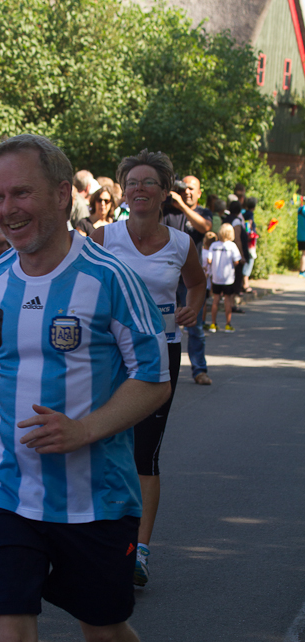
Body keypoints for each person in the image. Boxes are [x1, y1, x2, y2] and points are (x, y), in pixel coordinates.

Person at [0, 134, 171, 642]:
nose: (6, 209)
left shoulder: (110, 279)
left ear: (61, 193)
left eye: (20, 193)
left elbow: (153, 379)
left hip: (93, 498)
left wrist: (85, 429)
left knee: (105, 633)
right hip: (3, 490)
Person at [92, 149, 206, 587]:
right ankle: (99, 539)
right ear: (124, 192)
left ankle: (138, 551)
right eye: (132, 183)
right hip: (108, 355)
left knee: (145, 453)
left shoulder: (180, 243)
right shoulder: (102, 238)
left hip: (161, 352)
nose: (139, 189)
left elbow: (196, 284)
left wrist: (192, 308)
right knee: (101, 441)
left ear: (164, 192)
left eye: (148, 183)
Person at [163, 174, 213, 385]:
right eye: (185, 188)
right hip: (168, 277)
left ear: (199, 193)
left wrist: (182, 206)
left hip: (191, 279)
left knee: (195, 326)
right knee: (164, 325)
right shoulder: (167, 211)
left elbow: (205, 227)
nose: (188, 192)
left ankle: (199, 370)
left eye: (192, 189)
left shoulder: (201, 212)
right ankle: (163, 370)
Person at [208, 223, 242, 332]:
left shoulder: (214, 245)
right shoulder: (232, 246)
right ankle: (228, 324)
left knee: (215, 300)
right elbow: (237, 261)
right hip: (228, 278)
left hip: (216, 277)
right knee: (228, 301)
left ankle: (213, 324)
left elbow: (209, 260)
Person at [297, 202, 305, 277]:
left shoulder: (300, 209)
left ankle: (302, 271)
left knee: (303, 253)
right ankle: (302, 271)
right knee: (304, 254)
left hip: (300, 236)